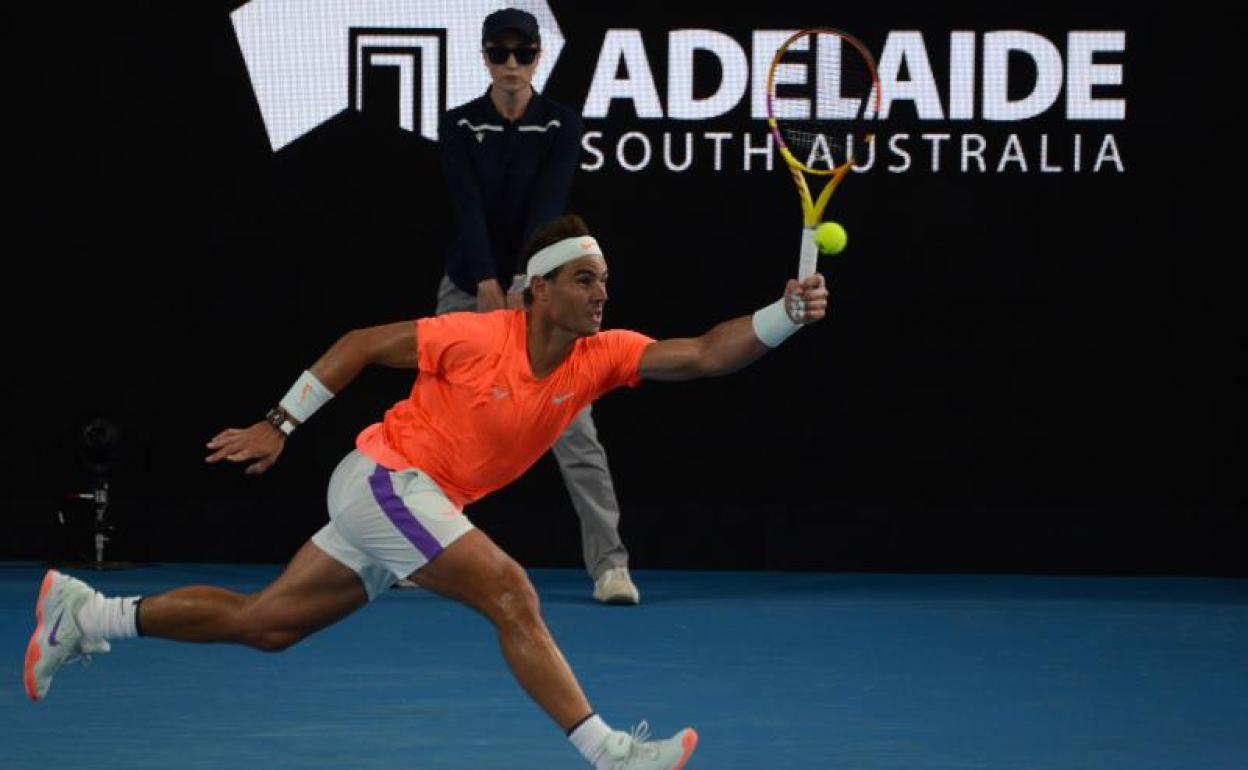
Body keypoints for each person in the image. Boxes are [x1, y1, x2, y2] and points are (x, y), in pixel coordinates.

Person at [24, 214, 829, 770]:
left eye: (605, 282)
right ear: (539, 291)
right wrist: (280, 423)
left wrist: (783, 316)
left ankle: (87, 613)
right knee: (511, 593)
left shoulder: (602, 354)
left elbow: (703, 355)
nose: (601, 294)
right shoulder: (480, 336)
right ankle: (607, 751)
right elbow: (359, 345)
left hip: (407, 501)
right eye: (585, 281)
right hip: (383, 481)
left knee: (266, 625)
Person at [437, 8, 638, 604]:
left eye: (522, 53)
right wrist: (485, 280)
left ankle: (610, 565)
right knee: (439, 423)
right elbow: (466, 205)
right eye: (499, 53)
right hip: (468, 285)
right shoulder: (459, 124)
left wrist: (524, 282)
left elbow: (548, 209)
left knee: (573, 429)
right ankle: (413, 547)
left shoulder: (560, 125)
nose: (511, 65)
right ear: (484, 57)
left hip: (541, 291)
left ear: (536, 58)